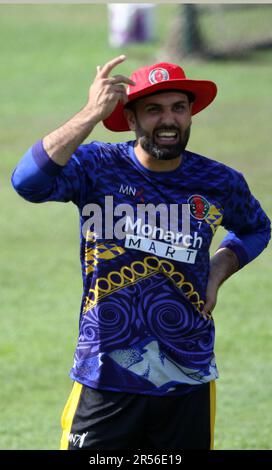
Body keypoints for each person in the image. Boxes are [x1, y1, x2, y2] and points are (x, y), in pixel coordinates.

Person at [11, 55, 270, 450]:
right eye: (153, 110)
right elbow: (27, 182)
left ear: (190, 114)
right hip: (105, 375)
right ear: (131, 120)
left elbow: (256, 228)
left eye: (178, 108)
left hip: (188, 378)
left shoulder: (219, 182)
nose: (168, 120)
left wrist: (218, 269)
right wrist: (90, 113)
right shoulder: (97, 166)